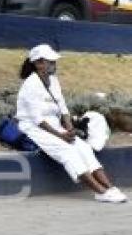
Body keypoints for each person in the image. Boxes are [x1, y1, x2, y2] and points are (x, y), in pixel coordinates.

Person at [16, 44, 127, 203]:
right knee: (68, 152)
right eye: (50, 61)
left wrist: (69, 129)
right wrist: (61, 135)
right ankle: (100, 192)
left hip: (55, 126)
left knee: (84, 148)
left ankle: (109, 187)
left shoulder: (53, 81)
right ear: (38, 63)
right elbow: (37, 119)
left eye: (54, 61)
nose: (54, 64)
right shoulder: (30, 85)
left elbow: (63, 108)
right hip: (35, 128)